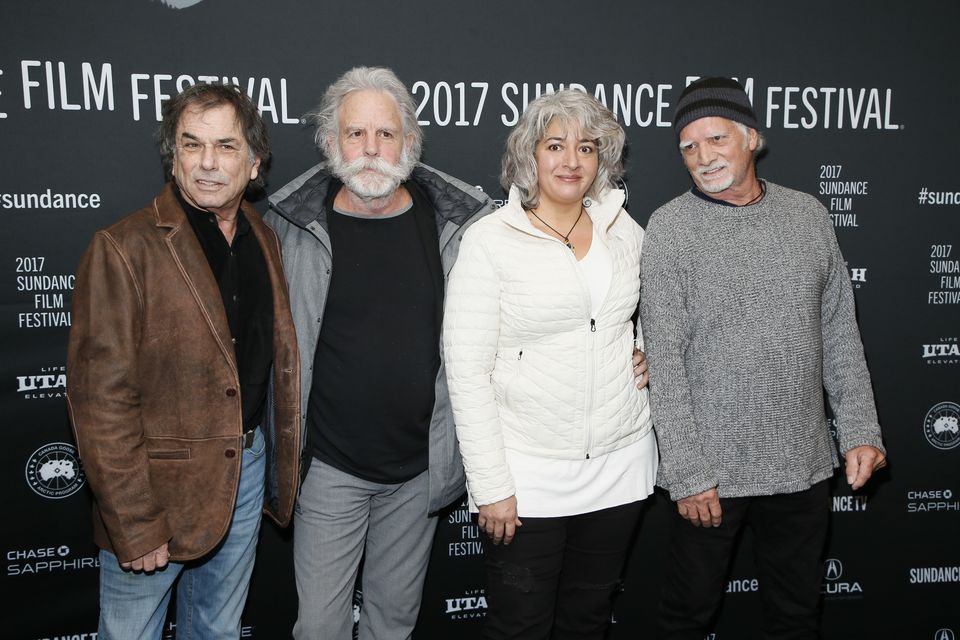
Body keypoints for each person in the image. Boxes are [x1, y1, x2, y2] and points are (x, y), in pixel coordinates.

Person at [640, 77, 887, 639]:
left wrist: (860, 430)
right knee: (684, 618)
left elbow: (839, 336)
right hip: (711, 478)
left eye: (716, 140)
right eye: (688, 147)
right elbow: (666, 363)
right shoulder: (670, 229)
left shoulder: (808, 216)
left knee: (796, 618)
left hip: (801, 464)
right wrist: (688, 472)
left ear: (752, 137)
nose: (702, 157)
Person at [264, 66, 499, 639]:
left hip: (419, 470)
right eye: (355, 134)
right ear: (330, 143)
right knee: (319, 627)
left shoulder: (461, 223)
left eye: (386, 135)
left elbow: (517, 319)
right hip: (329, 467)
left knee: (392, 624)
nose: (371, 149)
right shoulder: (287, 224)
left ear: (410, 144)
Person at [66, 82, 300, 639]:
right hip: (156, 491)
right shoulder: (124, 247)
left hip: (244, 474)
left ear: (255, 162)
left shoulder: (264, 239)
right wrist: (134, 520)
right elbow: (100, 402)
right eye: (192, 145)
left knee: (217, 631)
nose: (208, 164)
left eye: (225, 146)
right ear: (173, 156)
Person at [443, 89, 656, 639]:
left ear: (602, 158)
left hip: (619, 466)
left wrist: (650, 355)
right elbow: (467, 372)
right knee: (520, 627)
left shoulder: (625, 230)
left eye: (586, 147)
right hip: (527, 474)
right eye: (555, 145)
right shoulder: (489, 241)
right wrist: (491, 484)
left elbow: (642, 318)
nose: (570, 161)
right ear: (529, 156)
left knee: (586, 624)